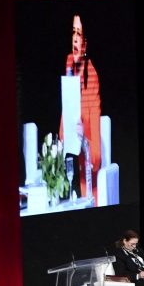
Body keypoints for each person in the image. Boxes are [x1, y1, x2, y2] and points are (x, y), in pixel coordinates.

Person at [59, 15, 102, 203]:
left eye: (80, 33)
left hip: (88, 177)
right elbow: (66, 112)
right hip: (70, 167)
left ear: (86, 41)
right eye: (73, 33)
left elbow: (96, 157)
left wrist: (83, 137)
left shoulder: (91, 74)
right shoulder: (69, 63)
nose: (75, 39)